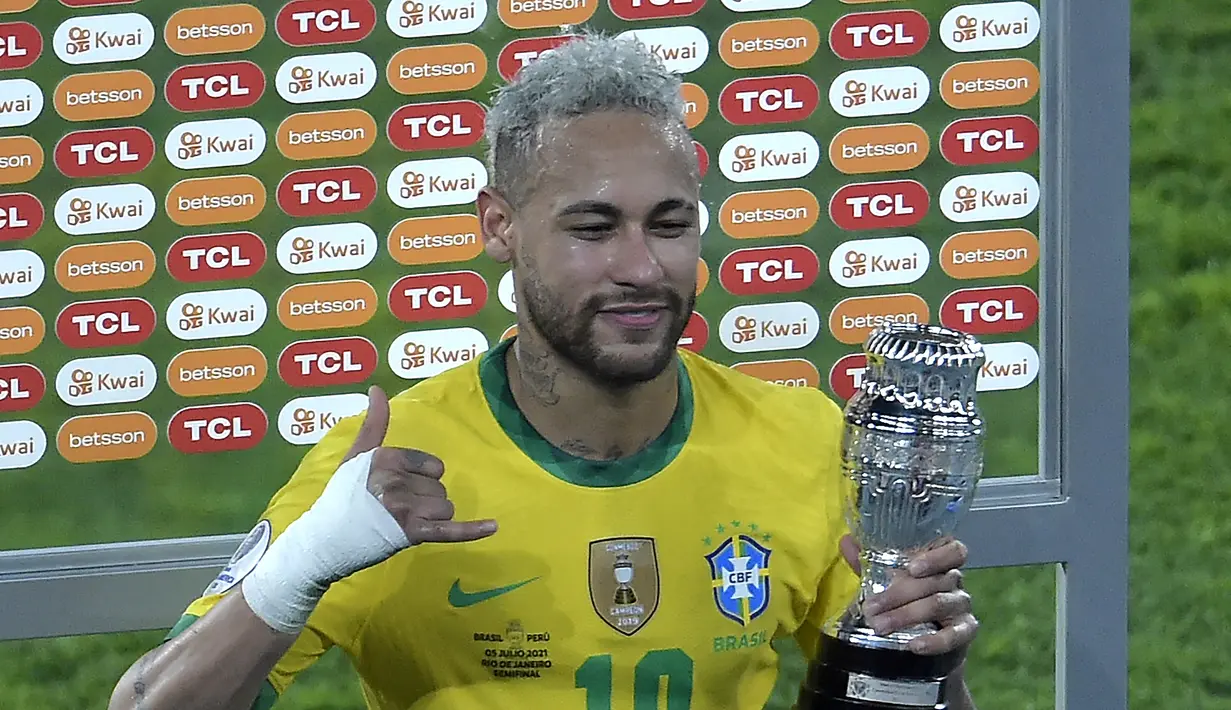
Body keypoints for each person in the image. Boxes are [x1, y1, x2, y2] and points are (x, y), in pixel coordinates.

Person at [108, 32, 979, 710]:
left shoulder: (803, 437)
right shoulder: (389, 469)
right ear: (499, 226)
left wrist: (925, 658)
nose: (641, 267)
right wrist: (301, 568)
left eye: (669, 225)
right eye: (593, 229)